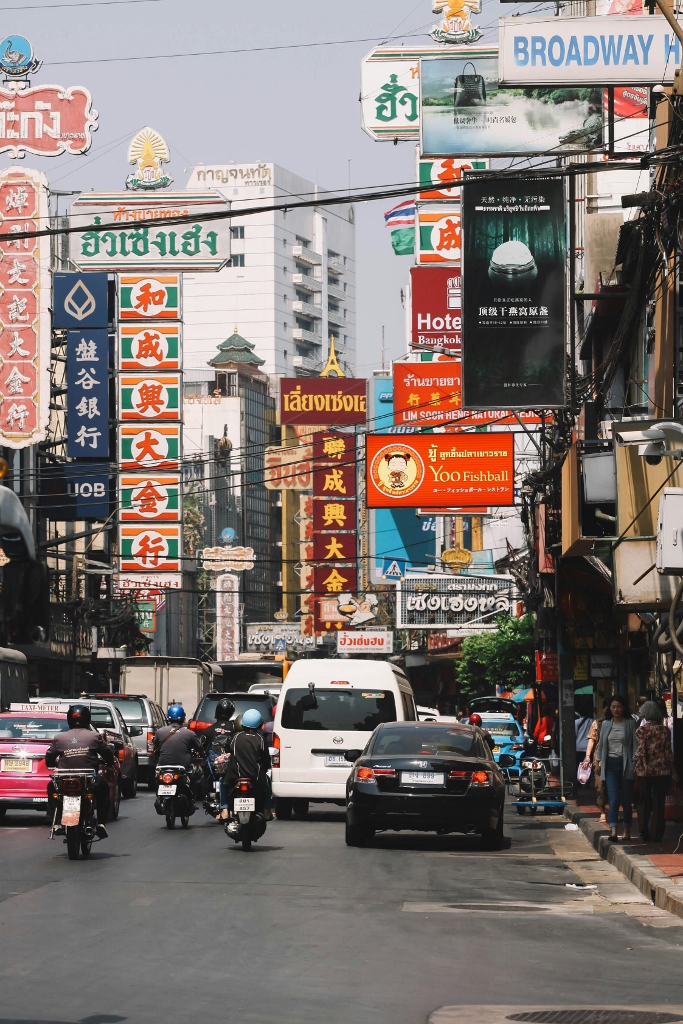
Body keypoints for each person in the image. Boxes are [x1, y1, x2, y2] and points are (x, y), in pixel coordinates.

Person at [45, 703, 115, 839]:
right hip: (88, 779)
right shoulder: (94, 736)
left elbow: (49, 757)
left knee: (51, 787)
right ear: (87, 719)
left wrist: (51, 764)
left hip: (64, 778)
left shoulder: (59, 738)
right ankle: (101, 823)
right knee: (104, 789)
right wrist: (110, 763)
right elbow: (107, 753)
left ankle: (57, 822)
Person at [223, 708, 273, 829]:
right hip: (255, 777)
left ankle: (224, 809)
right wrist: (265, 767)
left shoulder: (235, 737)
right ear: (259, 724)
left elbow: (227, 749)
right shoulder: (261, 739)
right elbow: (266, 759)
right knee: (268, 782)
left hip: (235, 776)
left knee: (222, 782)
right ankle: (266, 810)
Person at [635, 700, 676, 843]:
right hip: (661, 770)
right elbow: (668, 752)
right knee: (659, 801)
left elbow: (641, 750)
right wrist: (674, 771)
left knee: (644, 800)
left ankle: (643, 829)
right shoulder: (664, 730)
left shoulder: (641, 730)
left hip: (644, 771)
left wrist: (645, 765)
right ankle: (657, 833)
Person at [596, 695, 636, 842]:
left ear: (623, 708)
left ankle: (626, 830)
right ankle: (613, 830)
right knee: (613, 800)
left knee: (626, 800)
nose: (616, 709)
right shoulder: (606, 724)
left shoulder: (630, 723)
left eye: (618, 707)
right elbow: (601, 745)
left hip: (626, 764)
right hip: (610, 765)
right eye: (613, 707)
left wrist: (635, 762)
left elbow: (635, 745)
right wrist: (598, 762)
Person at [153, 704, 203, 796]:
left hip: (163, 766)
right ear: (183, 718)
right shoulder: (190, 733)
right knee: (200, 773)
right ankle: (192, 796)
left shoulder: (160, 732)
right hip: (184, 767)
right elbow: (200, 749)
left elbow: (155, 748)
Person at [202, 698, 236, 821]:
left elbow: (202, 747)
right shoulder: (235, 730)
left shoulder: (209, 730)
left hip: (212, 768)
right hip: (229, 768)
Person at [583, 698, 611, 823]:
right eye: (609, 707)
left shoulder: (621, 722)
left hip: (616, 758)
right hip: (599, 760)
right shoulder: (597, 723)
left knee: (615, 788)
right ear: (603, 709)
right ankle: (603, 812)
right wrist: (587, 757)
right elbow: (591, 740)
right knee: (600, 787)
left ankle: (613, 812)